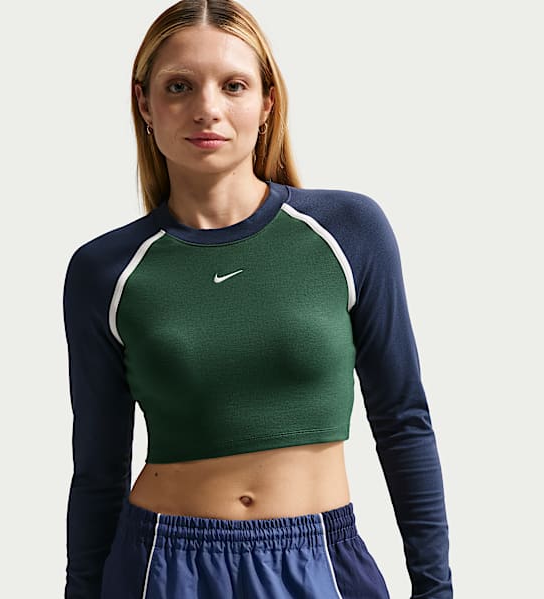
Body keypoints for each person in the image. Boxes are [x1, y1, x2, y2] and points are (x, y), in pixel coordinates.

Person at [62, 1, 453, 597]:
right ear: (144, 103)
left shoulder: (348, 231)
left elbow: (404, 422)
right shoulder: (105, 270)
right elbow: (97, 469)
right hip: (160, 566)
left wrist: (434, 587)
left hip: (319, 560)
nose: (207, 108)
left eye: (234, 85)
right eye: (179, 87)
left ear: (268, 102)